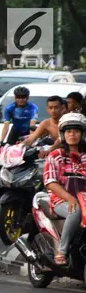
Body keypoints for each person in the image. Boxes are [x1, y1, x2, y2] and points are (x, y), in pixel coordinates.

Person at [42, 113, 86, 266]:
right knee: (75, 211)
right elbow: (50, 182)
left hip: (85, 199)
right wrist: (70, 198)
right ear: (63, 134)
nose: (72, 134)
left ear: (82, 134)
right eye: (68, 131)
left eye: (76, 131)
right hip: (62, 200)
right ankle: (62, 250)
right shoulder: (56, 156)